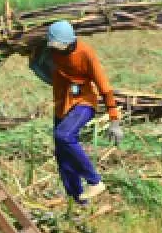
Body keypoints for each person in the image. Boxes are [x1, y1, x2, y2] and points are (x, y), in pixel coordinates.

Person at [30, 21, 123, 203]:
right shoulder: (50, 50)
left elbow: (105, 87)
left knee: (64, 135)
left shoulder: (85, 53)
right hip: (62, 104)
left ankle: (94, 181)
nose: (57, 51)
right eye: (54, 48)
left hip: (84, 102)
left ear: (71, 42)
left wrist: (114, 121)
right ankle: (78, 199)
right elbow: (37, 61)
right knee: (62, 154)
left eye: (60, 48)